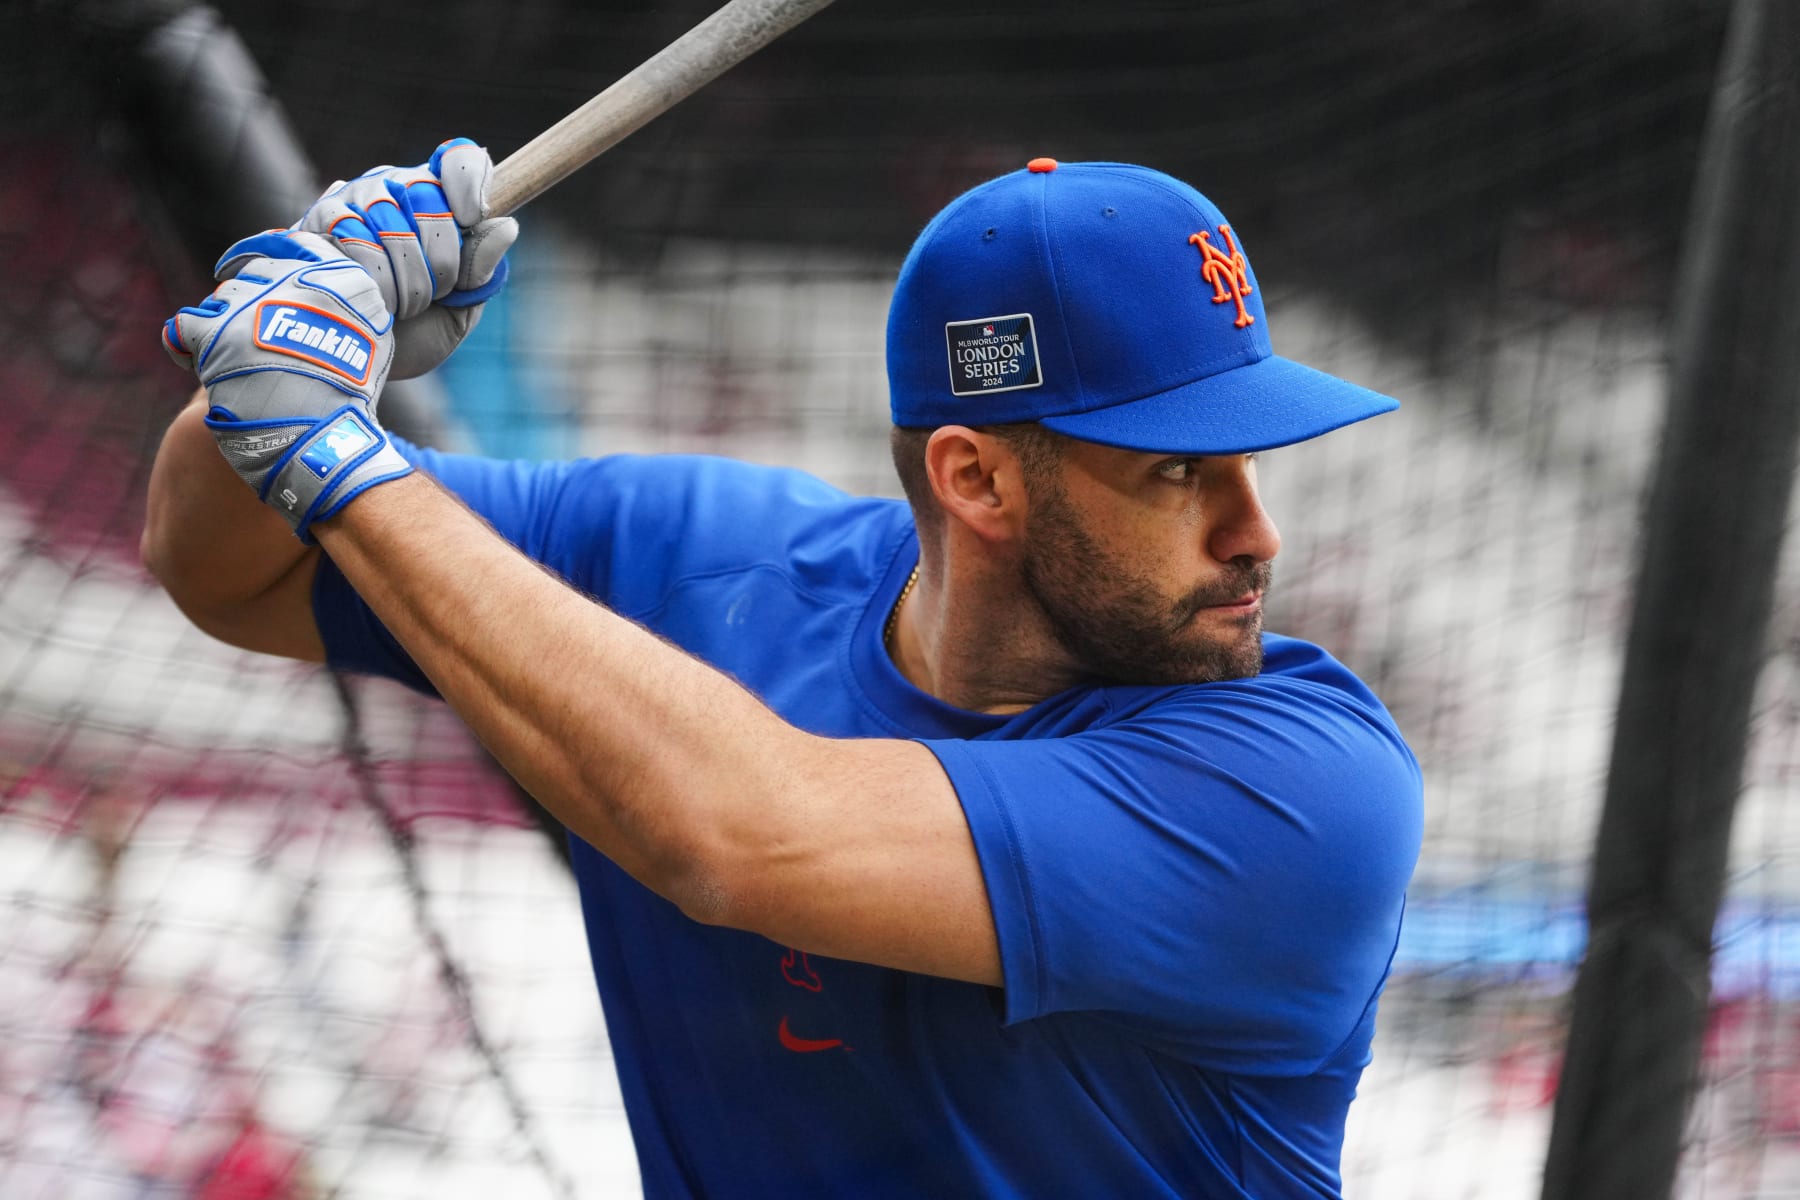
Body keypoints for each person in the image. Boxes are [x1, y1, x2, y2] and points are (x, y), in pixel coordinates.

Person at [145, 145, 1423, 1198]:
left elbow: (747, 839)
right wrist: (299, 351)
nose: (1257, 533)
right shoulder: (694, 558)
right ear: (974, 479)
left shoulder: (1305, 790)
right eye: (1179, 472)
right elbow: (225, 569)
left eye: (1254, 466)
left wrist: (336, 452)